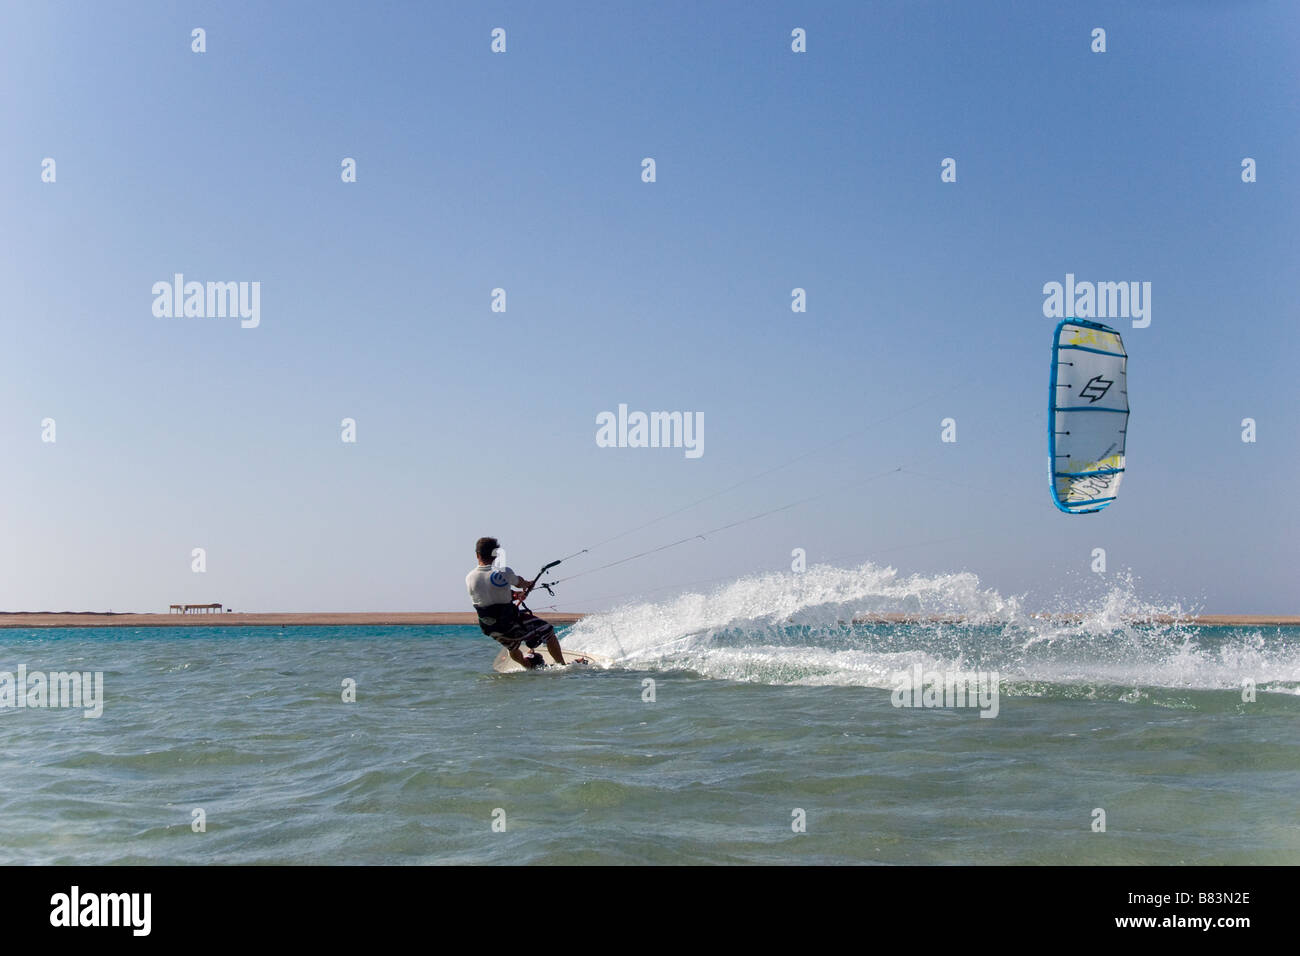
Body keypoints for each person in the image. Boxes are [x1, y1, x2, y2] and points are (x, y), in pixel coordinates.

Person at [466, 537, 566, 669]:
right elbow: (520, 583)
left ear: (477, 555)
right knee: (548, 631)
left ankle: (528, 666)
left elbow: (491, 596)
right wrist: (526, 585)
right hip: (509, 623)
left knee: (512, 647)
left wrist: (515, 596)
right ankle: (563, 667)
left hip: (489, 627)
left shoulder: (470, 577)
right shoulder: (503, 572)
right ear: (496, 555)